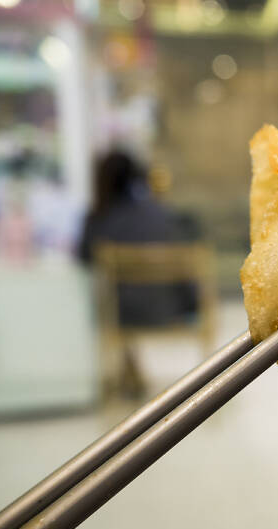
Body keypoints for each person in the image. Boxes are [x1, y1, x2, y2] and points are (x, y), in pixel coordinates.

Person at [78, 150, 198, 394]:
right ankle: (130, 369)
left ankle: (127, 369)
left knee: (109, 296)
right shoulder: (161, 213)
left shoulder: (99, 219)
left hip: (124, 315)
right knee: (126, 294)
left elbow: (82, 256)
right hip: (172, 307)